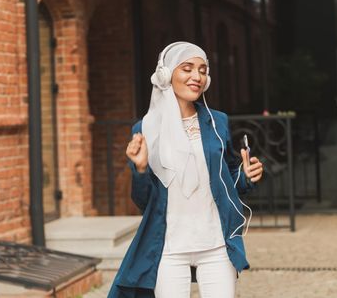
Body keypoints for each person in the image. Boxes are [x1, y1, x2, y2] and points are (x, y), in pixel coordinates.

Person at [108, 42, 263, 298]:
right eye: (187, 68)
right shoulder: (144, 129)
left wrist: (246, 176)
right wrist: (141, 168)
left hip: (215, 243)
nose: (197, 76)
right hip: (169, 246)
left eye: (203, 70)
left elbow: (228, 178)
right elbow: (142, 200)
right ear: (167, 74)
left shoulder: (218, 122)